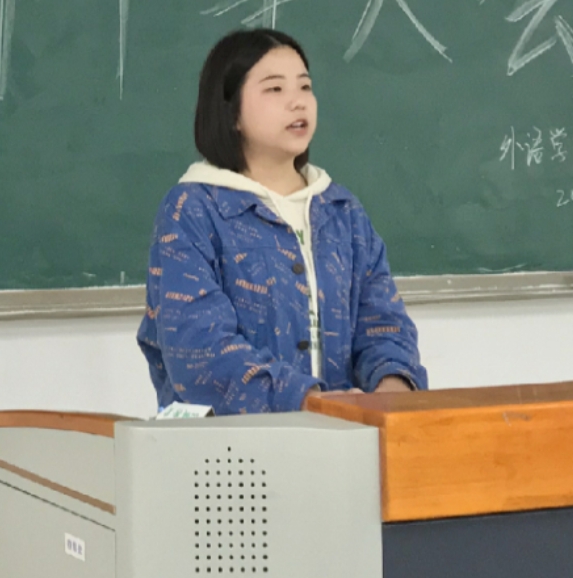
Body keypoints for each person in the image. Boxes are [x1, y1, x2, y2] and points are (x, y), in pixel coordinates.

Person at [137, 28, 426, 414]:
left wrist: (392, 391)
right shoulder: (192, 209)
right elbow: (199, 352)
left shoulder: (341, 212)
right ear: (231, 113)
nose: (297, 102)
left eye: (305, 87)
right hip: (230, 447)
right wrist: (308, 401)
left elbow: (384, 325)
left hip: (345, 436)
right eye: (275, 89)